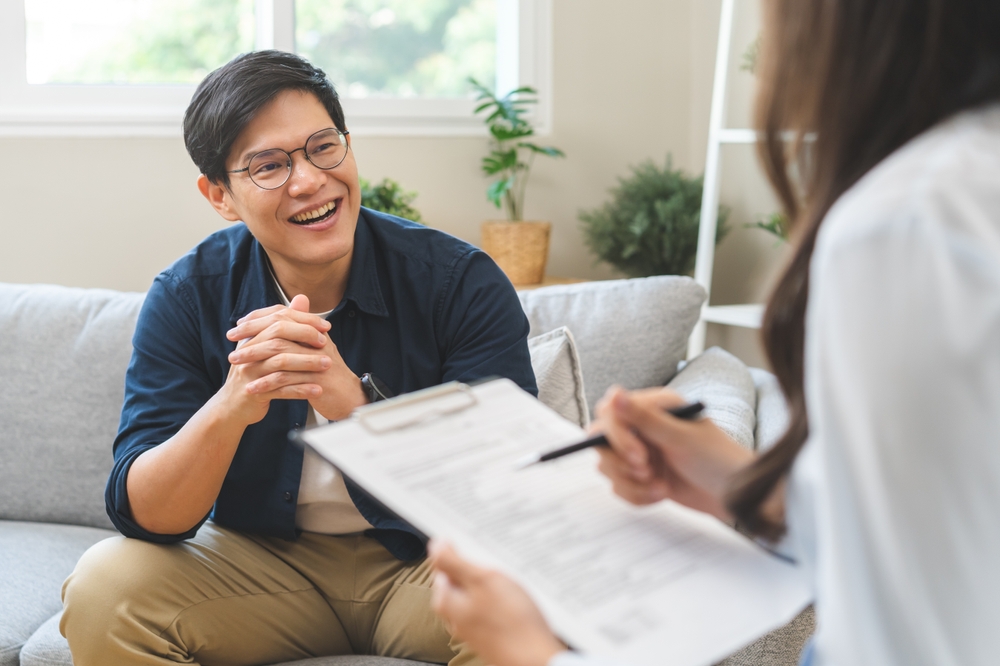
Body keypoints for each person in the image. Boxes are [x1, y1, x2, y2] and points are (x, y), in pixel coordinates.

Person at [429, 1, 1000, 665]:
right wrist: (747, 490)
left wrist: (537, 654)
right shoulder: (958, 191)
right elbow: (932, 531)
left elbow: (913, 635)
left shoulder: (909, 224)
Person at [60, 50, 536, 666]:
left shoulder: (458, 281)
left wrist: (350, 404)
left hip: (428, 567)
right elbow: (147, 515)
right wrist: (233, 404)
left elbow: (505, 488)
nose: (310, 180)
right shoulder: (187, 295)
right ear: (220, 195)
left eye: (323, 147)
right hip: (262, 571)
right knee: (105, 588)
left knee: (532, 590)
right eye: (269, 165)